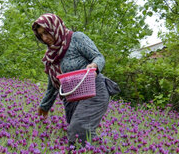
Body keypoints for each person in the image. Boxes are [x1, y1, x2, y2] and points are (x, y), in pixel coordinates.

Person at [33, 13, 119, 146]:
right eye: (41, 35)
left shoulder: (76, 38)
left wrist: (95, 66)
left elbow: (98, 57)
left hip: (93, 90)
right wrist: (44, 106)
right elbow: (53, 82)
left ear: (54, 27)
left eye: (46, 32)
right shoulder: (51, 54)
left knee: (78, 130)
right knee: (81, 135)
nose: (45, 38)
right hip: (71, 97)